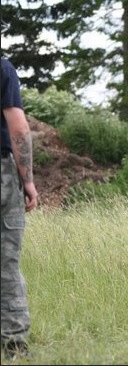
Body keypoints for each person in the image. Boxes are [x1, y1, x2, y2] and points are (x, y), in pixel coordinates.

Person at [1, 56, 38, 359]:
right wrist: (27, 181)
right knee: (6, 263)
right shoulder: (3, 68)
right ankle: (13, 344)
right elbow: (18, 126)